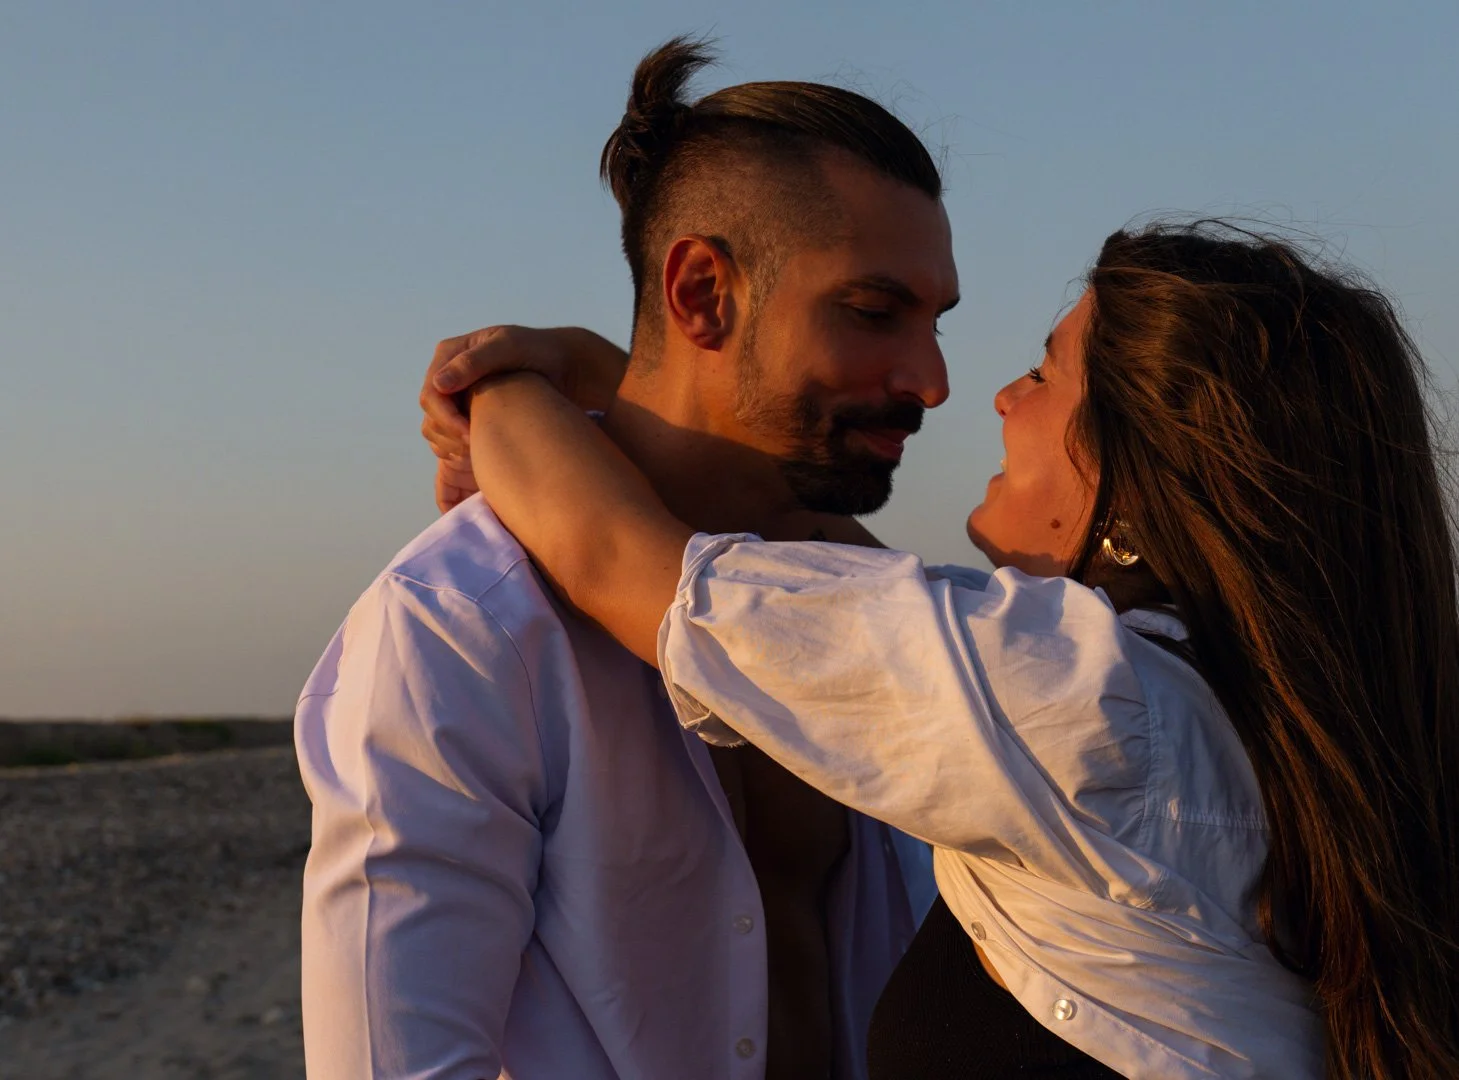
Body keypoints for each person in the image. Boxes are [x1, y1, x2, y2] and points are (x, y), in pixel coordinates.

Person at [425, 222, 1459, 1078]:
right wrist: (631, 381)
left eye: (1043, 373)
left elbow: (622, 560)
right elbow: (812, 566)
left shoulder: (1075, 701)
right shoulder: (1249, 712)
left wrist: (507, 381)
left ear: (1137, 474)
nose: (993, 399)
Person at [297, 38, 959, 1080]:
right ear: (701, 293)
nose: (930, 379)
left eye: (934, 321)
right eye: (873, 313)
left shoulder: (876, 612)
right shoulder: (461, 623)